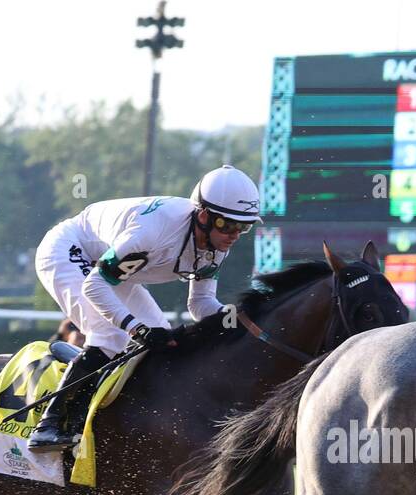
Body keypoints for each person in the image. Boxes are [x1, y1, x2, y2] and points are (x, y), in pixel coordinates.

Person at [28, 165, 261, 451]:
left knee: (161, 336)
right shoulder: (155, 231)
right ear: (203, 215)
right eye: (227, 224)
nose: (234, 235)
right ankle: (49, 424)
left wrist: (237, 321)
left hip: (108, 268)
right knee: (111, 335)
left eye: (243, 227)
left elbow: (200, 304)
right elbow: (94, 286)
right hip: (69, 250)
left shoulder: (218, 247)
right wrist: (136, 329)